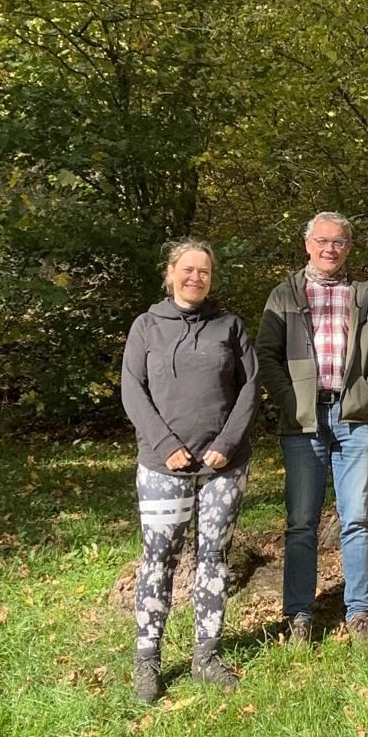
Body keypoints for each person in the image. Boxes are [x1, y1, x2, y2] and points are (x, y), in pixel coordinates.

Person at [121, 238, 259, 702]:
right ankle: (148, 660)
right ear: (170, 272)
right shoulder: (146, 327)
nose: (196, 277)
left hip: (223, 466)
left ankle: (206, 655)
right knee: (158, 559)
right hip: (164, 465)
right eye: (188, 269)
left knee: (213, 558)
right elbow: (132, 391)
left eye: (204, 271)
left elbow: (250, 388)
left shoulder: (230, 327)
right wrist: (165, 445)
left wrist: (226, 444)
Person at [254, 212, 368, 646]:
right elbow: (267, 356)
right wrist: (292, 401)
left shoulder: (365, 297)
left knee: (357, 518)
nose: (330, 249)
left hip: (354, 419)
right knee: (301, 521)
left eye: (338, 242)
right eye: (322, 241)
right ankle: (299, 614)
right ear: (307, 244)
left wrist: (364, 395)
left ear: (348, 247)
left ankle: (359, 612)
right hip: (302, 421)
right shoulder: (285, 296)